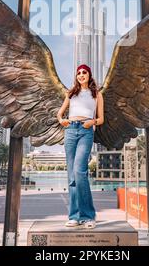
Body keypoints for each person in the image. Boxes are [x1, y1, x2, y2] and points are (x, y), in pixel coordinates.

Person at [57, 64, 104, 229]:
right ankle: (74, 216)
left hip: (85, 131)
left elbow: (101, 119)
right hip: (70, 131)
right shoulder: (71, 93)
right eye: (78, 73)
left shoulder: (96, 94)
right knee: (71, 176)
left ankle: (88, 216)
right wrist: (62, 119)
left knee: (79, 171)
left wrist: (92, 122)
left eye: (84, 72)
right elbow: (60, 113)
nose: (81, 75)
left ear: (89, 75)